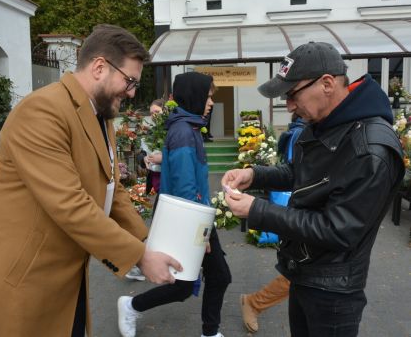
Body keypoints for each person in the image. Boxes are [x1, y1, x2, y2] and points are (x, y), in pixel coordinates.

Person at [0, 24, 182, 337]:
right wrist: (141, 258)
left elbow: (112, 189)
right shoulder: (41, 111)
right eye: (129, 81)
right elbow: (70, 205)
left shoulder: (100, 116)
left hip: (64, 283)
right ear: (99, 67)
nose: (132, 92)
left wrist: (149, 243)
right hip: (20, 288)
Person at [223, 41, 404, 337]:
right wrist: (254, 175)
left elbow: (337, 230)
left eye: (293, 94)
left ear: (327, 84)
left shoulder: (370, 149)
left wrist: (257, 210)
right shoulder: (329, 123)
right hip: (306, 274)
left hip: (334, 291)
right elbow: (302, 173)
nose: (290, 105)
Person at [117, 72, 232, 337]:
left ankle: (134, 307)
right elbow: (184, 188)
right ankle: (133, 306)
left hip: (193, 217)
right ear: (195, 96)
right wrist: (201, 234)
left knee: (197, 281)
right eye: (208, 96)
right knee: (199, 280)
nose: (211, 102)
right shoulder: (183, 131)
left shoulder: (187, 127)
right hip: (191, 220)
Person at [240, 113, 306, 333]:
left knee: (300, 273)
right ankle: (254, 303)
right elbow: (295, 172)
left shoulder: (299, 131)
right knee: (298, 272)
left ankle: (254, 303)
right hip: (302, 209)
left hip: (303, 209)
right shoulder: (302, 133)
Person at [126, 99, 165, 282]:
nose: (154, 115)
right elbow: (142, 155)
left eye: (157, 112)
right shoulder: (150, 132)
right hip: (158, 182)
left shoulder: (169, 131)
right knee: (157, 225)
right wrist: (145, 160)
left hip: (167, 185)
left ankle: (141, 263)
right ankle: (141, 263)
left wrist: (162, 158)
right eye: (152, 112)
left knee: (158, 226)